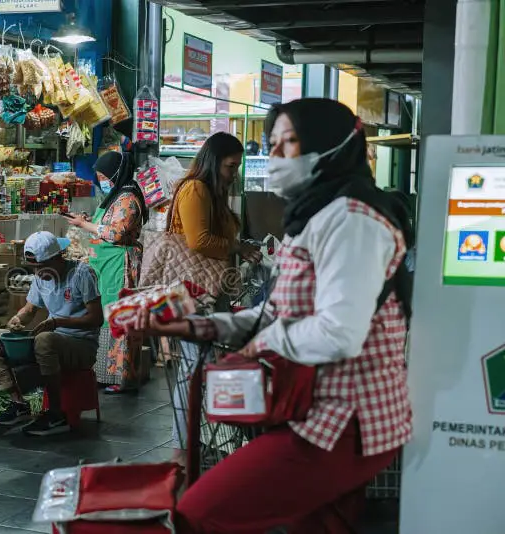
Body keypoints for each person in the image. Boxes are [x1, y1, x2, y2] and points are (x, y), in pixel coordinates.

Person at [127, 98, 413, 533]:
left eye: (289, 144)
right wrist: (197, 324)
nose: (275, 157)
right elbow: (273, 313)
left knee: (201, 511)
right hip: (306, 405)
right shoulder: (316, 215)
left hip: (343, 418)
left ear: (330, 147)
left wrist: (261, 343)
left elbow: (339, 333)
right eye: (272, 144)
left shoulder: (353, 220)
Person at [163, 132, 261, 465]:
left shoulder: (212, 192)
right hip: (192, 291)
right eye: (230, 166)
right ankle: (182, 449)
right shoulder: (195, 189)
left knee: (200, 368)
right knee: (195, 369)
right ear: (214, 161)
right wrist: (237, 248)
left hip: (207, 290)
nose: (233, 173)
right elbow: (199, 240)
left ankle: (190, 444)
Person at [0, 231, 102, 436]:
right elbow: (29, 310)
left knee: (44, 340)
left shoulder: (82, 273)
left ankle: (56, 413)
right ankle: (18, 403)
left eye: (42, 266)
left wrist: (57, 322)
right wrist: (17, 319)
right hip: (51, 340)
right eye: (34, 267)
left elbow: (96, 319)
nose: (38, 272)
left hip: (81, 345)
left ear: (58, 257)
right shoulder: (40, 278)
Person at [66, 151, 148, 394]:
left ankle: (119, 377)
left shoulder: (128, 199)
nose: (101, 181)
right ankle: (105, 373)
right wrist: (88, 220)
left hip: (118, 265)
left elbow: (116, 233)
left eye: (104, 176)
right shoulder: (117, 196)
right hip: (106, 264)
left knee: (117, 317)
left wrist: (83, 225)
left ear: (115, 174)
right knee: (104, 316)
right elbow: (109, 224)